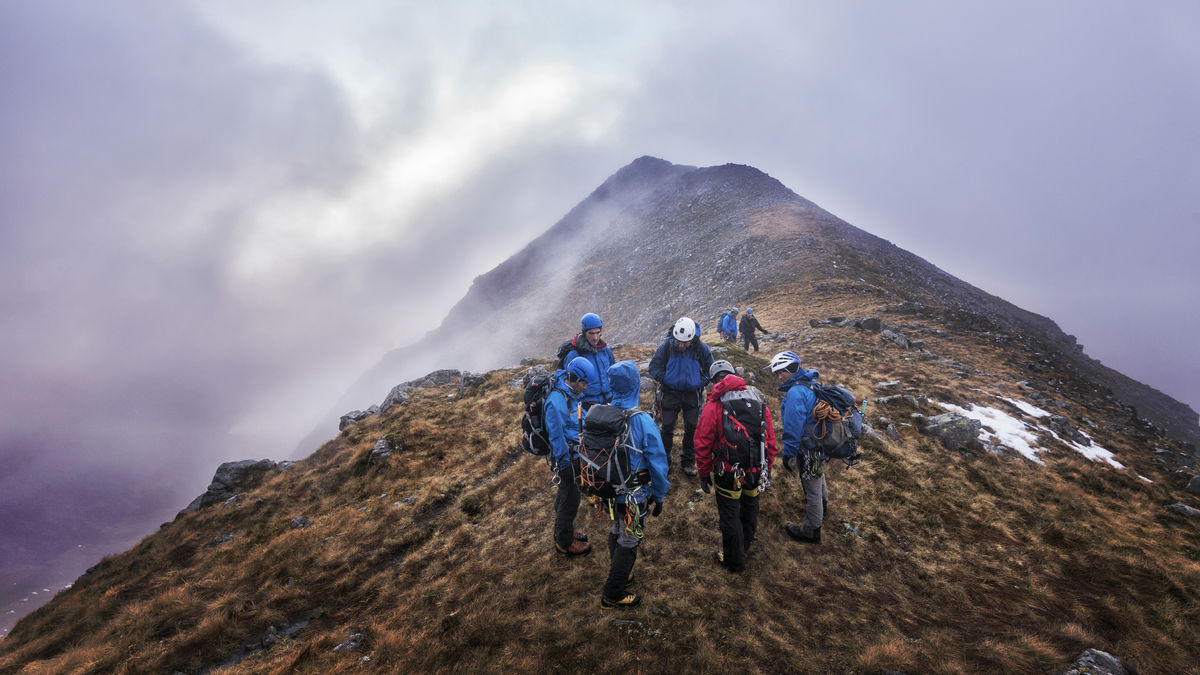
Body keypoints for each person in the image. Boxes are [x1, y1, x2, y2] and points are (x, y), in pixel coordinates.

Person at [596, 360, 670, 609]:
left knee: (617, 529)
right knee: (630, 540)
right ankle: (613, 593)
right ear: (636, 385)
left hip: (607, 490)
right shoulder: (641, 421)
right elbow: (658, 464)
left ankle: (623, 572)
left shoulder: (602, 414)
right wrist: (659, 495)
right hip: (634, 495)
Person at [695, 360, 778, 573]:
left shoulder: (714, 404)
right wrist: (766, 467)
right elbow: (769, 439)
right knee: (750, 505)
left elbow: (702, 443)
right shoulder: (758, 399)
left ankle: (734, 560)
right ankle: (746, 544)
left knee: (729, 514)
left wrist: (704, 474)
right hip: (756, 468)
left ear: (714, 381)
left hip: (728, 471)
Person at [771, 350, 827, 544]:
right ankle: (823, 506)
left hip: (808, 447)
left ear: (792, 369)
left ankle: (812, 530)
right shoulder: (810, 384)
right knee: (817, 475)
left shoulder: (795, 392)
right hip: (819, 442)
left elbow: (793, 426)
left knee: (811, 486)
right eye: (777, 373)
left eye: (782, 372)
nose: (779, 377)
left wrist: (789, 453)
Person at [648, 317, 714, 477]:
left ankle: (689, 461)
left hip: (692, 394)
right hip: (670, 393)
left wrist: (700, 382)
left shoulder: (701, 349)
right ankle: (665, 461)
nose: (680, 345)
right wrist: (667, 379)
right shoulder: (666, 347)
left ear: (692, 338)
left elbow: (710, 369)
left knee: (692, 428)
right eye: (678, 341)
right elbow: (653, 367)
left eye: (684, 342)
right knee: (667, 427)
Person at [546, 357, 597, 556]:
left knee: (566, 495)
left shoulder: (571, 393)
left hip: (573, 452)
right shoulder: (557, 400)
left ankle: (564, 530)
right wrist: (564, 464)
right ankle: (564, 543)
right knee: (570, 498)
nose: (586, 387)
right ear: (574, 378)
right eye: (584, 382)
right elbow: (556, 435)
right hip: (565, 457)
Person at [563, 312, 615, 408]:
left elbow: (614, 374)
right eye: (591, 333)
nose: (595, 338)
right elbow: (568, 383)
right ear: (584, 332)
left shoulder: (605, 351)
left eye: (598, 333)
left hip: (609, 400)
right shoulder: (574, 355)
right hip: (586, 404)